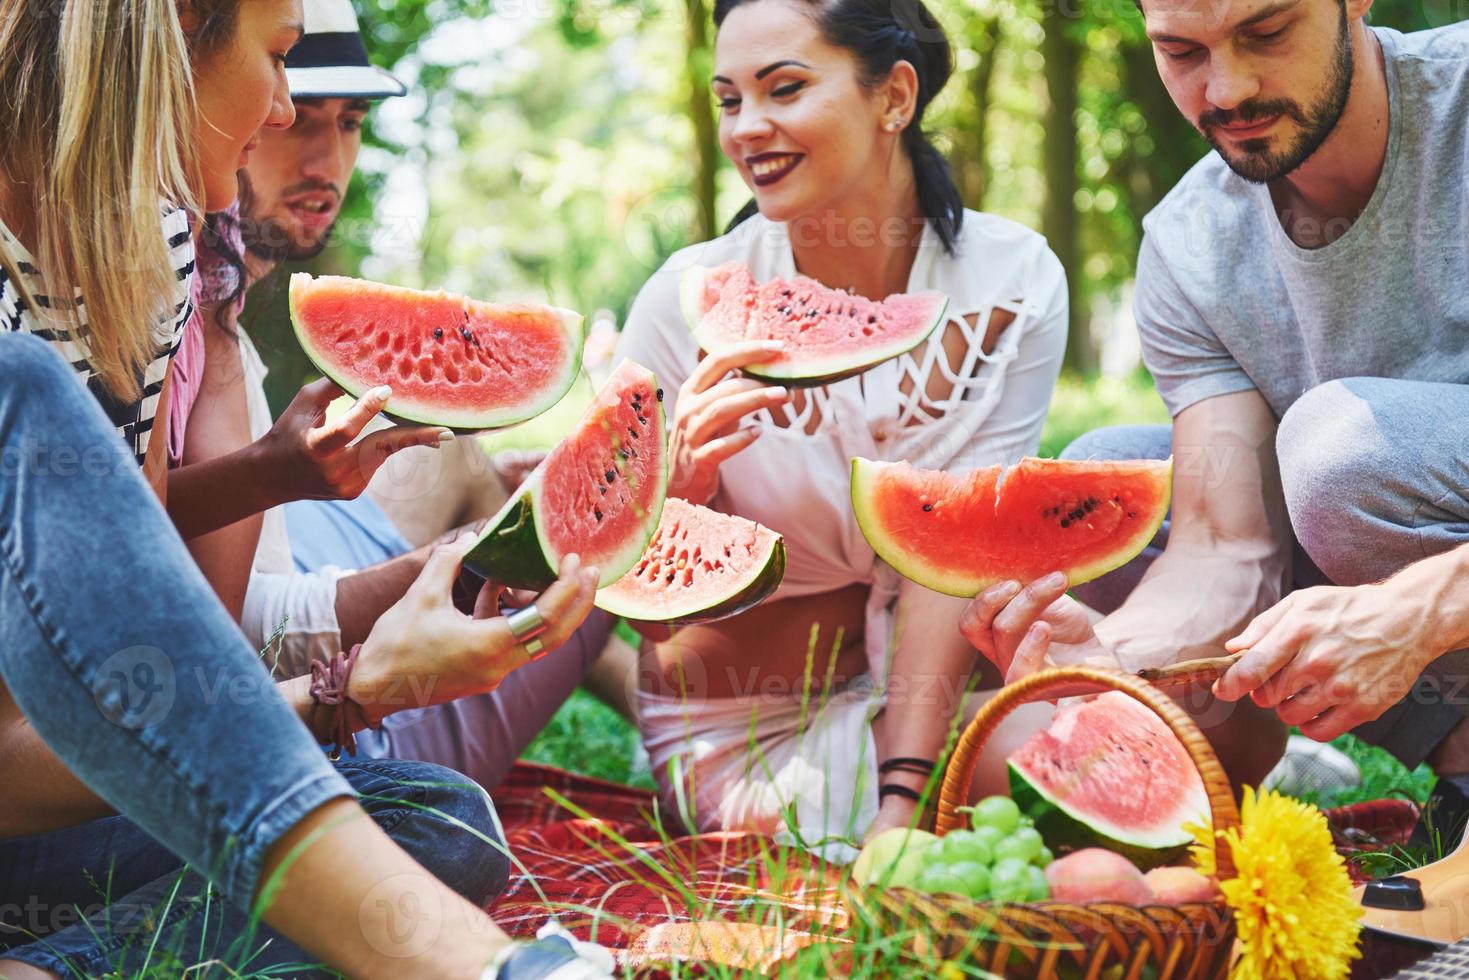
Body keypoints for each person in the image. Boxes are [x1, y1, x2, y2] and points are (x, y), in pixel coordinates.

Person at [0, 2, 609, 975]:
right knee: (18, 382)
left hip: (50, 808)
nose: (284, 110)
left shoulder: (155, 253)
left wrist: (372, 653)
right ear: (183, 26)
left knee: (435, 814)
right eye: (280, 60)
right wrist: (345, 690)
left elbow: (133, 588)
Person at [965, 0, 1469, 814]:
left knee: (1336, 451)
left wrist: (1422, 605)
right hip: (1377, 535)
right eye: (1180, 52)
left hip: (1390, 515)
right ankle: (1456, 759)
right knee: (1106, 494)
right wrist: (1109, 657)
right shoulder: (1186, 242)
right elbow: (1224, 550)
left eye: (1266, 33)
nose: (1227, 89)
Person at [615, 0, 1067, 847]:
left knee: (1205, 733)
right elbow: (643, 617)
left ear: (894, 97)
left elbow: (950, 553)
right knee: (1085, 758)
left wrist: (902, 799)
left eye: (782, 89)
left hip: (916, 705)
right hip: (740, 742)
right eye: (727, 100)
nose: (748, 127)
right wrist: (677, 499)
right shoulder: (685, 301)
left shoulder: (1012, 283)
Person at [169, 0, 626, 792]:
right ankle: (652, 695)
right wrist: (480, 551)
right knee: (605, 536)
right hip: (298, 725)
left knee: (458, 460)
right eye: (294, 112)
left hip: (276, 610)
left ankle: (634, 681)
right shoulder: (180, 316)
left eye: (348, 122)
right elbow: (241, 629)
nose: (325, 157)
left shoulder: (220, 309)